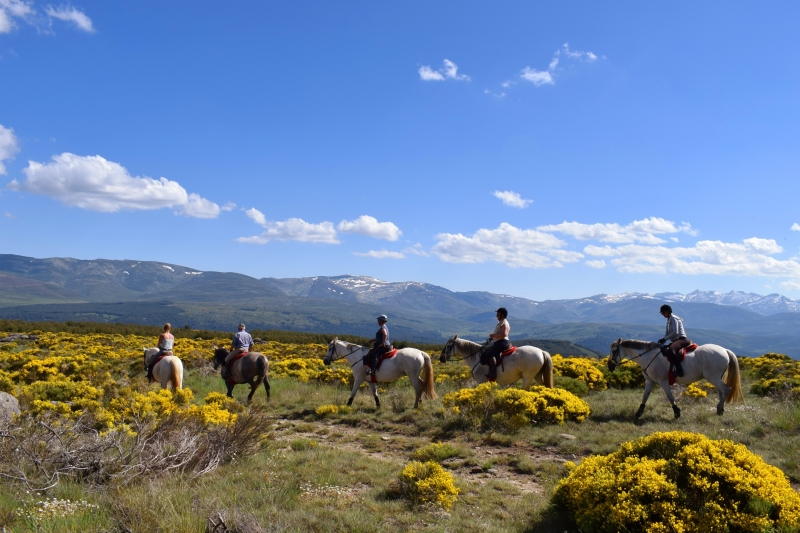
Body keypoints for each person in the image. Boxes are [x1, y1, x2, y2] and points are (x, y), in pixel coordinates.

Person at [658, 304, 690, 377]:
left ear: (668, 312)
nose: (663, 315)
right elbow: (667, 333)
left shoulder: (674, 319)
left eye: (664, 313)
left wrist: (665, 338)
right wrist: (663, 340)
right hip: (675, 340)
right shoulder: (668, 320)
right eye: (662, 313)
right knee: (663, 349)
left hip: (681, 339)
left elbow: (676, 332)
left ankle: (679, 371)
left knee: (671, 350)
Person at [482, 308, 511, 382]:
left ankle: (493, 374)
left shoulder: (504, 323)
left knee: (490, 354)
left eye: (498, 314)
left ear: (502, 315)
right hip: (499, 342)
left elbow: (504, 334)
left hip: (502, 342)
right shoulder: (501, 322)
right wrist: (492, 338)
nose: (496, 316)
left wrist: (493, 335)